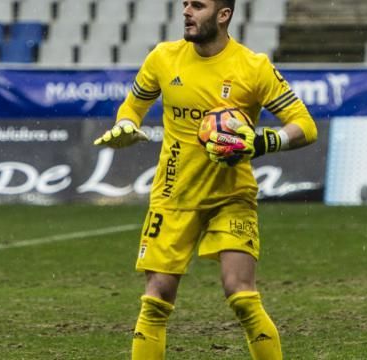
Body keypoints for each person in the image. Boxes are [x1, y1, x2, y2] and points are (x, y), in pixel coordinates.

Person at [94, 0, 317, 359]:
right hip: (173, 195)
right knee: (156, 298)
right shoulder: (163, 58)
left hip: (231, 196)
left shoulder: (253, 66)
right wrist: (126, 124)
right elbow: (133, 105)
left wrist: (263, 142)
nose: (186, 11)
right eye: (184, 4)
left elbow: (305, 126)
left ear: (223, 15)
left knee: (241, 294)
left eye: (197, 5)